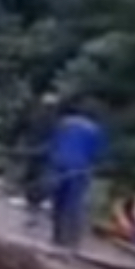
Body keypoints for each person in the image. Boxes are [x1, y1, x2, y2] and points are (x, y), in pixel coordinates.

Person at [46, 99, 106, 249]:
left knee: (58, 201)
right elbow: (96, 154)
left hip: (59, 165)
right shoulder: (95, 129)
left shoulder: (64, 123)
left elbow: (54, 144)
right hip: (79, 170)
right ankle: (71, 241)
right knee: (73, 204)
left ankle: (57, 237)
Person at [13, 93, 60, 229]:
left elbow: (21, 128)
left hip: (39, 153)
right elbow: (22, 128)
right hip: (41, 154)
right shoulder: (53, 120)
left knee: (35, 181)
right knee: (34, 180)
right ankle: (35, 210)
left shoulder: (41, 117)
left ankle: (34, 211)